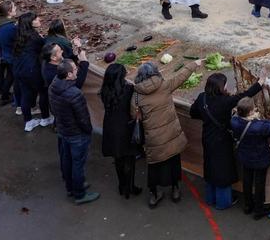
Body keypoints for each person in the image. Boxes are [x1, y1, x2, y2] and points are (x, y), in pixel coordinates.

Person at [134, 58, 205, 207]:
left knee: (154, 166)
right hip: (171, 134)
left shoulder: (137, 95)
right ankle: (175, 189)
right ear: (155, 73)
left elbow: (134, 115)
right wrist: (194, 64)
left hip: (153, 139)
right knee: (174, 161)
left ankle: (154, 194)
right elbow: (181, 76)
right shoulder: (164, 86)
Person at [190, 72, 263, 210]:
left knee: (210, 167)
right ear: (220, 87)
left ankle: (210, 198)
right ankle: (223, 202)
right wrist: (260, 83)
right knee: (223, 171)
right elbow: (245, 95)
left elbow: (193, 113)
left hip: (207, 137)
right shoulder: (225, 102)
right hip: (222, 140)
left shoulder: (202, 98)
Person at [50, 52, 100, 205]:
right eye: (75, 70)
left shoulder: (54, 86)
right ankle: (80, 193)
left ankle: (70, 187)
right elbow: (83, 118)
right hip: (76, 134)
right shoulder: (74, 94)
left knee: (67, 159)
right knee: (77, 164)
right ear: (69, 75)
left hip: (63, 130)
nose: (77, 71)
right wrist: (88, 130)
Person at [229, 97, 270, 220]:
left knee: (247, 179)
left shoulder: (234, 122)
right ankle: (259, 208)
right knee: (259, 182)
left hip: (245, 156)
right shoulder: (258, 126)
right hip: (260, 158)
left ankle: (248, 205)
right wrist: (258, 118)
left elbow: (235, 118)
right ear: (250, 112)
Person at [99, 63, 142, 200]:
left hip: (111, 127)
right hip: (125, 127)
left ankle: (122, 185)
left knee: (118, 158)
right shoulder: (128, 89)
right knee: (129, 158)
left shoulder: (105, 91)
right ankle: (130, 187)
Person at [13, 12, 52, 131]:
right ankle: (46, 118)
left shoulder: (20, 35)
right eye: (35, 18)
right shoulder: (34, 38)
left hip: (19, 69)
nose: (39, 19)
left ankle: (28, 122)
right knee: (43, 92)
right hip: (32, 70)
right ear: (30, 23)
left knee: (25, 94)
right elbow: (46, 47)